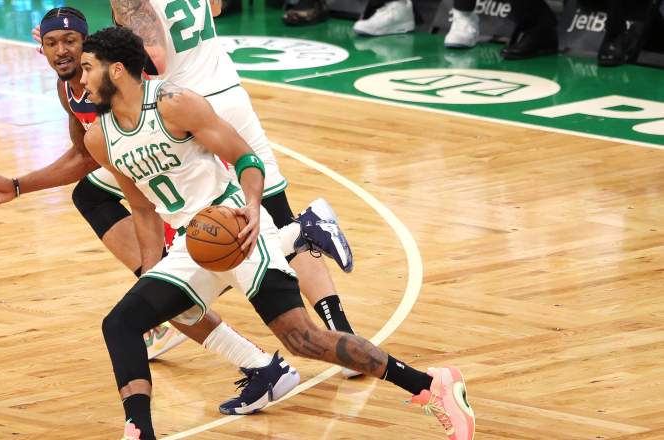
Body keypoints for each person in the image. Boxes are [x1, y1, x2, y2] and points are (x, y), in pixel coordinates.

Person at [80, 26, 475, 440]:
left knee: (304, 340)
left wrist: (252, 207)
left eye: (89, 68)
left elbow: (245, 158)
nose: (84, 79)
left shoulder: (174, 105)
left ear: (118, 70)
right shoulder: (100, 138)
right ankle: (139, 430)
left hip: (239, 229)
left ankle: (432, 386)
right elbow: (142, 208)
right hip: (193, 244)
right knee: (122, 323)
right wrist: (151, 271)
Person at [0, 7, 302, 416]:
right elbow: (84, 155)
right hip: (141, 172)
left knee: (193, 263)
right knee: (107, 221)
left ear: (93, 50)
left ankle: (296, 236)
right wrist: (18, 186)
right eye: (52, 43)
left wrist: (21, 186)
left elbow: (140, 88)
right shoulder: (69, 88)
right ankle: (260, 360)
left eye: (71, 43)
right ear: (41, 47)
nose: (62, 52)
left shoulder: (116, 80)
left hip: (177, 162)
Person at [106, 0, 364, 382]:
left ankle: (161, 312)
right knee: (273, 213)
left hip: (183, 108)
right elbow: (217, 6)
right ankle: (340, 330)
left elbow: (155, 59)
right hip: (230, 92)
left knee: (97, 192)